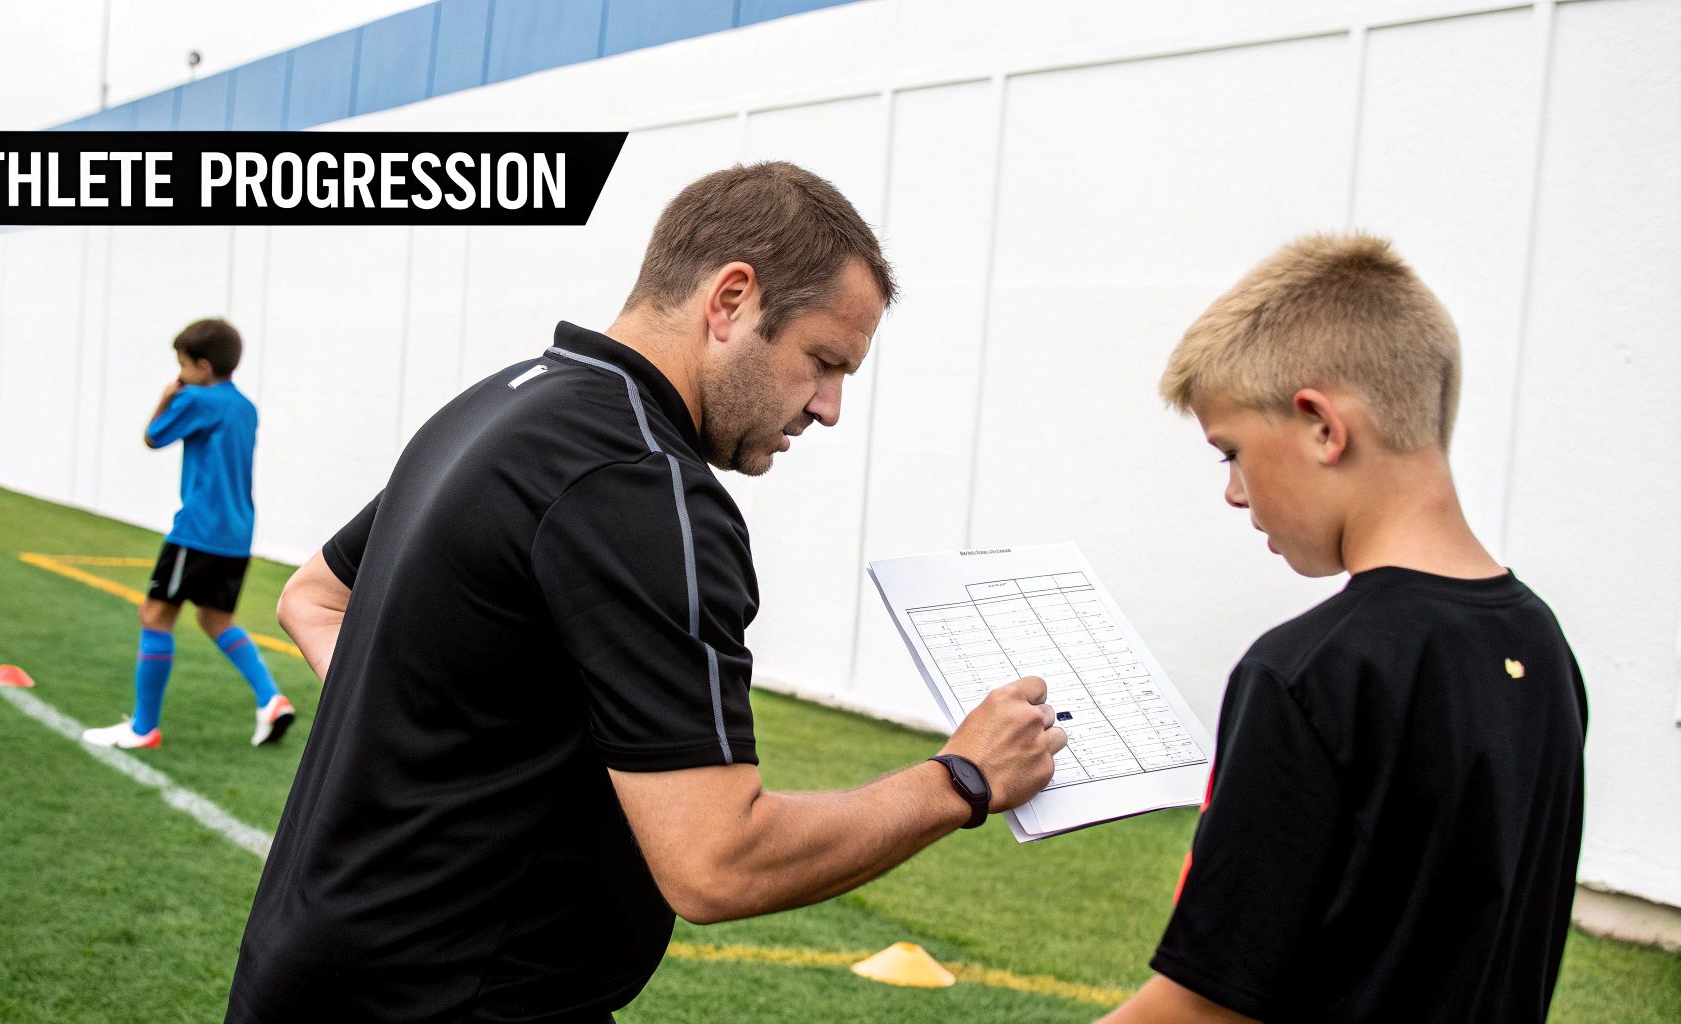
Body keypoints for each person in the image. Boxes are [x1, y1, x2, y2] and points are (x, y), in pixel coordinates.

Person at [224, 162, 1067, 1023]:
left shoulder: (501, 403)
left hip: (308, 976)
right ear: (731, 299)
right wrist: (962, 777)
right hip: (450, 1001)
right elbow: (716, 863)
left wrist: (435, 739)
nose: (830, 407)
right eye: (823, 361)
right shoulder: (639, 490)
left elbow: (312, 598)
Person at [1099, 233, 1587, 1023]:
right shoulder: (1542, 645)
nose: (1232, 492)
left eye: (1231, 452)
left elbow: (1206, 1007)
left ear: (1324, 426)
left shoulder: (1308, 674)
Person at [83, 318, 295, 750]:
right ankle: (271, 699)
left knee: (156, 615)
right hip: (236, 532)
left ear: (201, 365)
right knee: (215, 619)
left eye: (181, 365)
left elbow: (153, 438)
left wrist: (165, 401)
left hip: (199, 530)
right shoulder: (245, 406)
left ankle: (143, 728)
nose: (178, 373)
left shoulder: (196, 398)